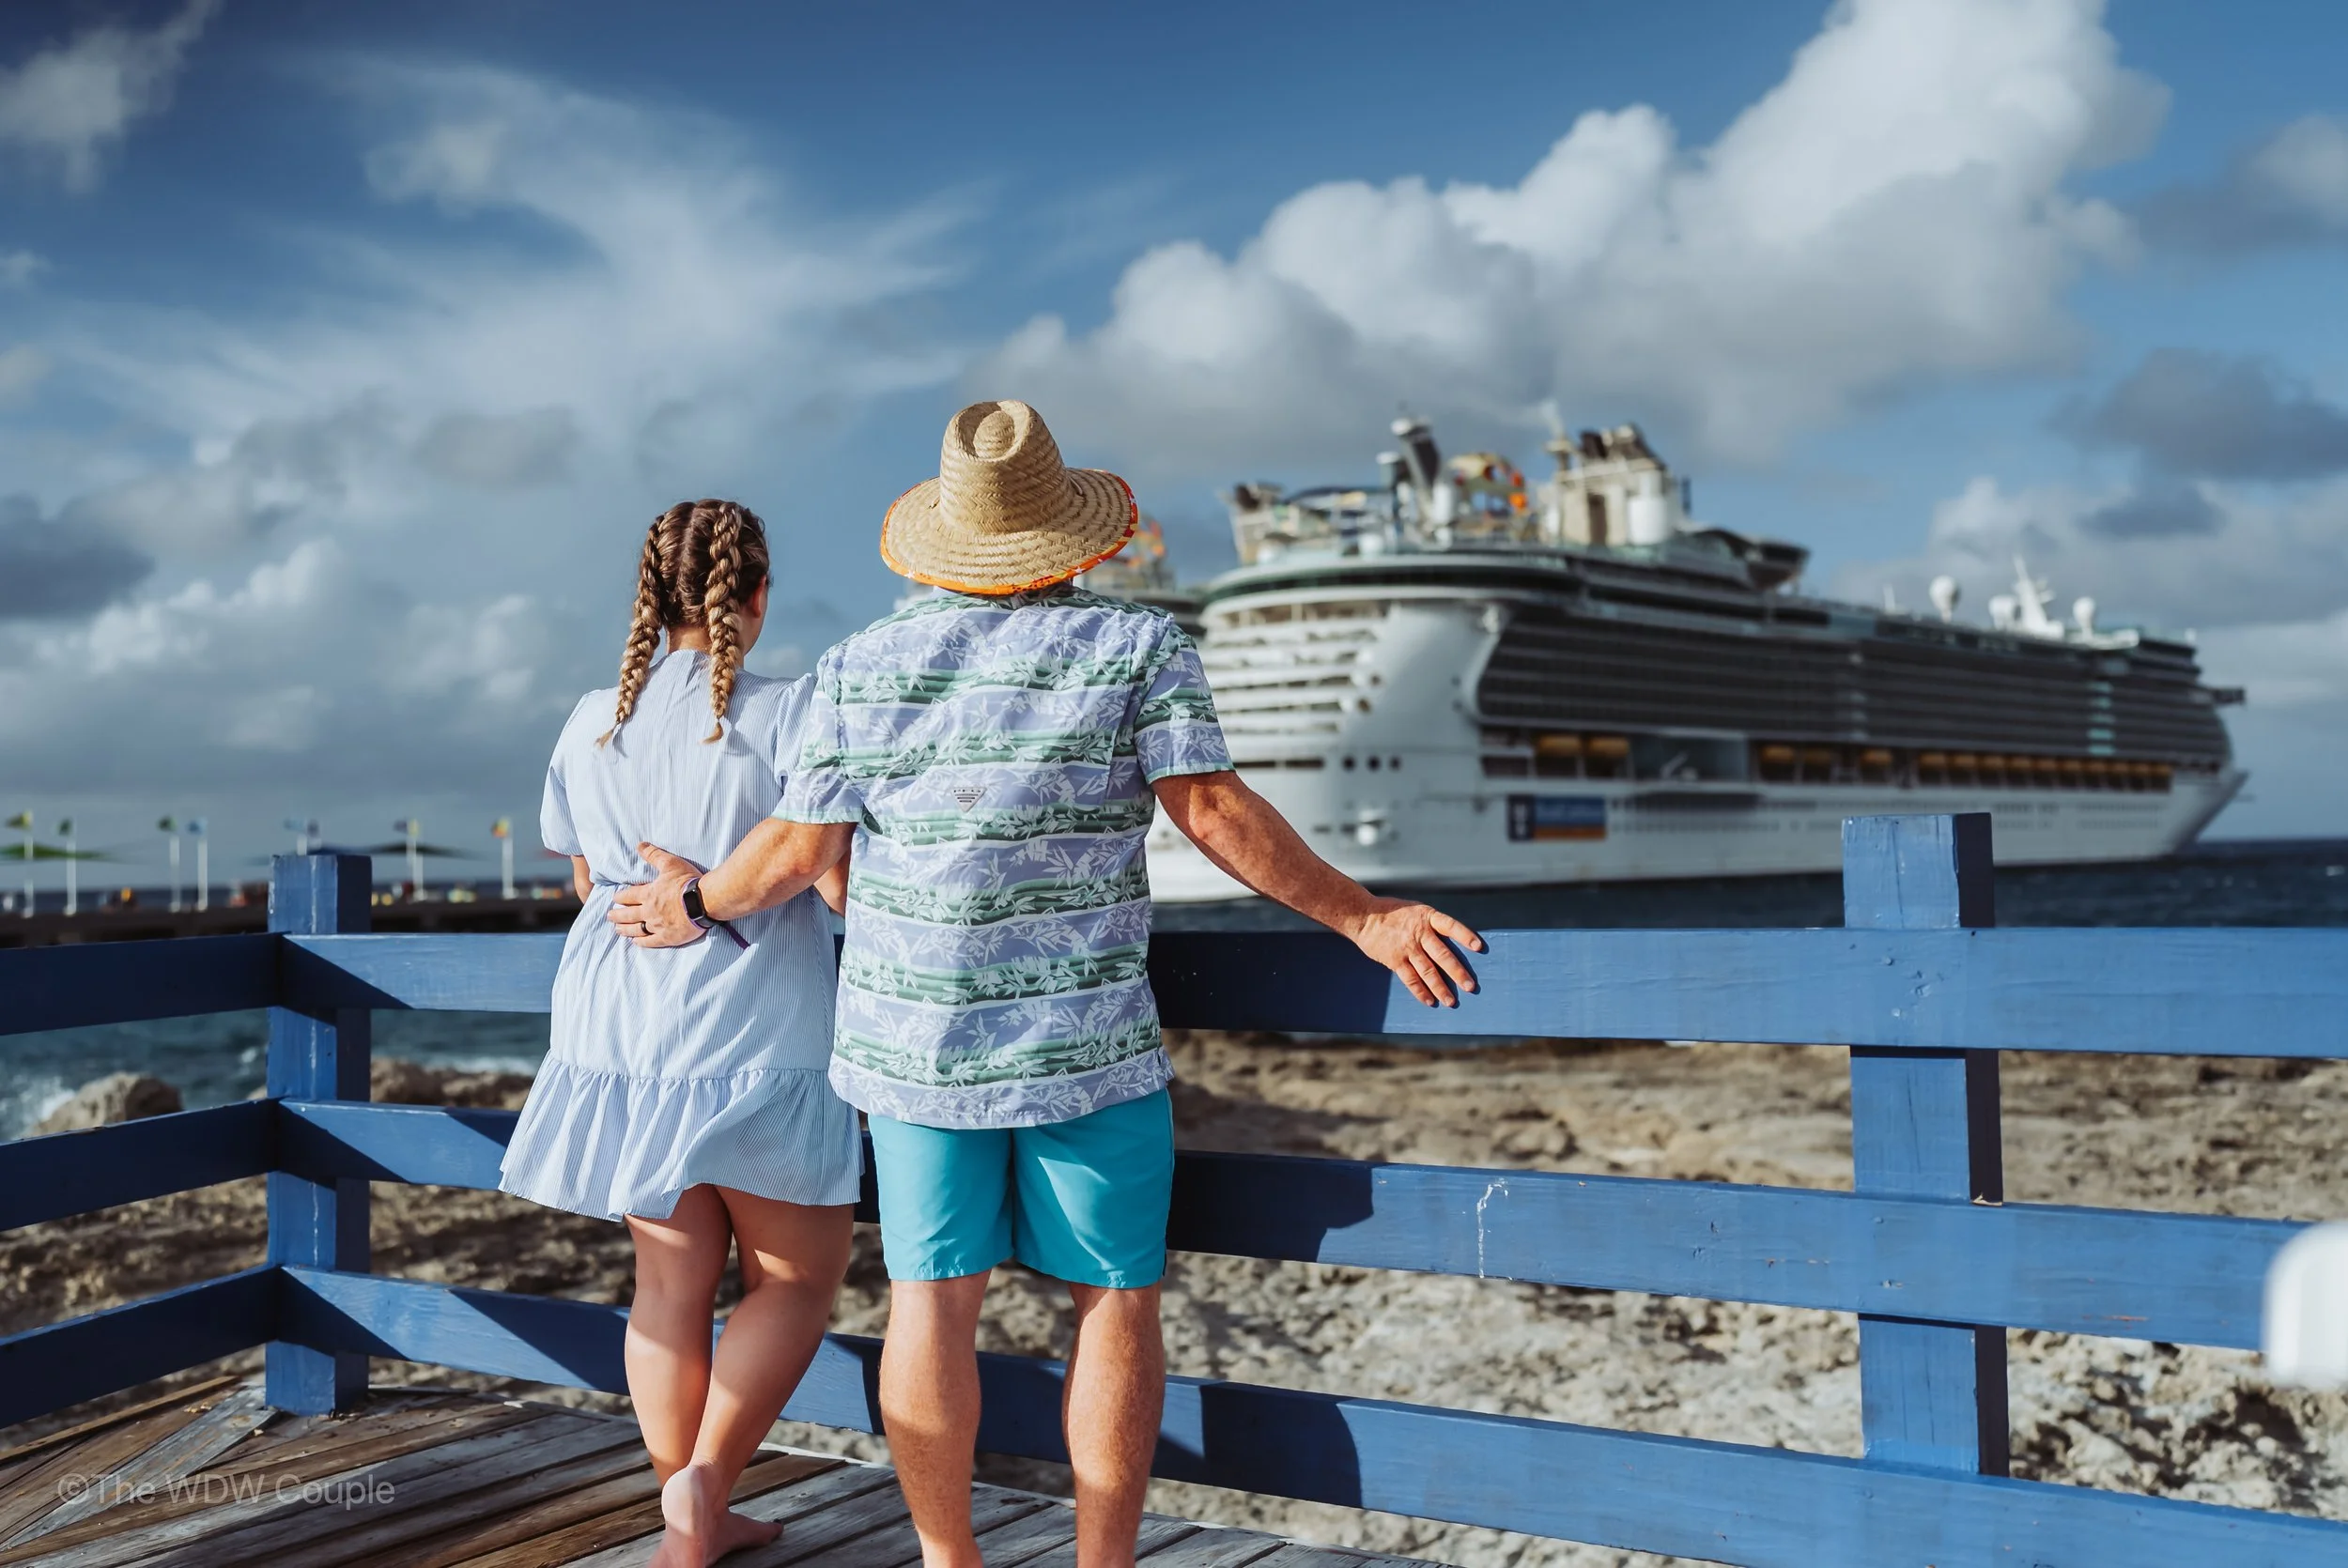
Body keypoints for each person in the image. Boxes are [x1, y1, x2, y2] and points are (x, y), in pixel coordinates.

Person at [611, 402, 1484, 1568]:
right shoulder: (1139, 647)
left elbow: (797, 846)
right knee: (1113, 1303)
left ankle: (948, 1560)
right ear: (1069, 538)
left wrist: (692, 902)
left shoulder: (858, 664)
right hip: (1088, 1045)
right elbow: (1212, 813)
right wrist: (1364, 916)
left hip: (915, 1047)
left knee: (930, 1302)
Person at [498, 500, 863, 1568]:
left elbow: (581, 874)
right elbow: (833, 884)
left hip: (620, 1024)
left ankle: (684, 1507)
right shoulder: (795, 710)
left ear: (648, 601)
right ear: (757, 595)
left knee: (667, 1281)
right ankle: (705, 1487)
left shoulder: (587, 720)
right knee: (792, 1279)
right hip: (754, 1017)